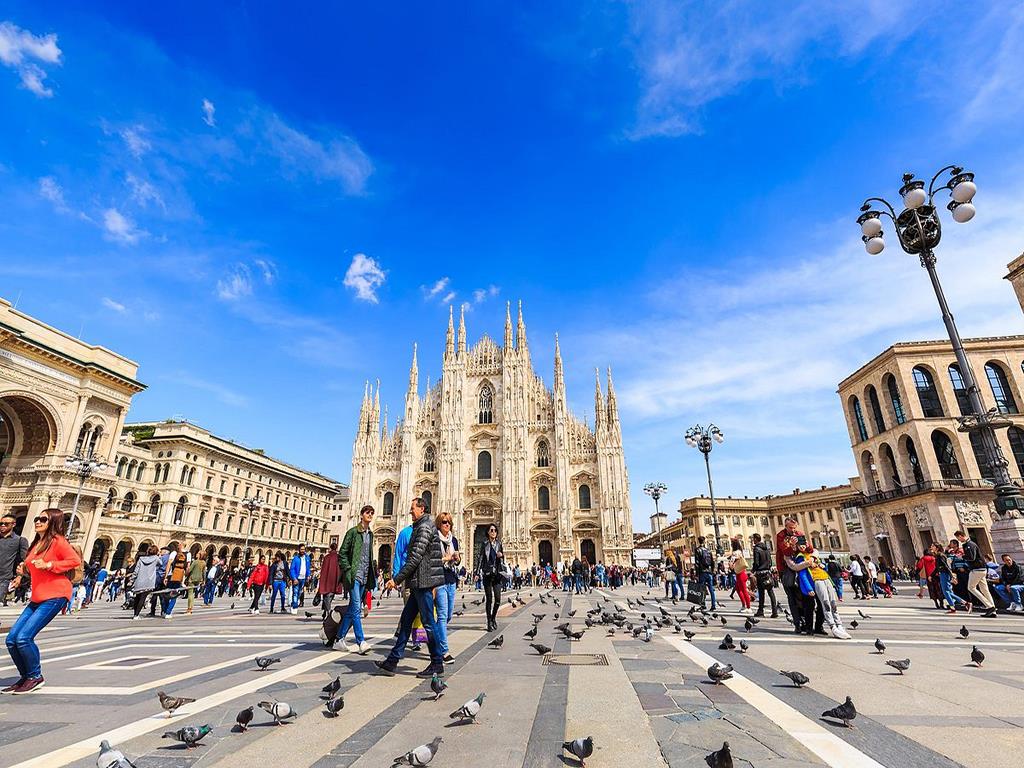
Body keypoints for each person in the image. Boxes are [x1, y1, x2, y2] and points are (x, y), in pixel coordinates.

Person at [3, 509, 82, 694]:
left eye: (43, 519)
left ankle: (35, 676)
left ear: (53, 522)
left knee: (24, 638)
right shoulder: (37, 543)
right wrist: (23, 573)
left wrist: (50, 565)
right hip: (38, 596)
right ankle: (26, 677)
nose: (38, 521)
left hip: (55, 595)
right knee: (11, 639)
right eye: (37, 518)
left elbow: (74, 560)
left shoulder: (58, 541)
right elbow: (35, 570)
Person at [375, 497, 445, 678]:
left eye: (412, 508)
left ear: (422, 509)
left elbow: (415, 558)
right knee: (406, 621)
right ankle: (392, 661)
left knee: (429, 623)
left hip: (423, 582)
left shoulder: (424, 527)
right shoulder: (421, 526)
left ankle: (437, 663)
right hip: (418, 582)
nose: (410, 511)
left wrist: (396, 579)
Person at [784, 537, 850, 639]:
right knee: (814, 606)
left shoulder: (812, 554)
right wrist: (809, 588)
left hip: (823, 579)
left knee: (829, 603)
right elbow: (802, 574)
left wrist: (820, 565)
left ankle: (833, 625)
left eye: (804, 544)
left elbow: (817, 558)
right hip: (812, 584)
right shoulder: (800, 557)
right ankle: (814, 628)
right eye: (800, 545)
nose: (802, 546)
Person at [336, 505, 376, 653]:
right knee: (357, 608)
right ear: (361, 515)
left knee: (353, 608)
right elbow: (343, 553)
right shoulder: (353, 532)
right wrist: (348, 569)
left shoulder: (370, 534)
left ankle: (339, 639)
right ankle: (361, 641)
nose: (370, 515)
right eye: (367, 512)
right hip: (354, 575)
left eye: (372, 513)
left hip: (364, 575)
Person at [776, 518, 811, 632]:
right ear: (785, 526)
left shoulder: (799, 534)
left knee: (803, 596)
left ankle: (805, 620)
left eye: (794, 527)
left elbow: (810, 549)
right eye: (790, 528)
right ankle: (797, 623)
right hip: (786, 570)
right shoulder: (781, 536)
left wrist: (805, 545)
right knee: (791, 597)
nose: (793, 530)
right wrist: (791, 545)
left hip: (800, 568)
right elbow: (785, 551)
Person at [434, 511, 460, 664]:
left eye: (449, 522)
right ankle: (444, 651)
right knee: (442, 616)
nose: (447, 525)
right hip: (439, 580)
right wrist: (447, 557)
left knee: (448, 616)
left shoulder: (453, 540)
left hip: (451, 579)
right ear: (439, 524)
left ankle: (433, 639)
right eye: (444, 522)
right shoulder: (434, 540)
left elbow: (456, 562)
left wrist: (457, 559)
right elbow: (433, 560)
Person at [955, 530, 997, 617]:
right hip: (981, 569)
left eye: (958, 538)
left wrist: (962, 556)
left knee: (971, 587)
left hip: (976, 569)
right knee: (984, 590)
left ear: (961, 536)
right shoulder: (970, 544)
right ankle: (993, 610)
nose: (959, 540)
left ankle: (989, 606)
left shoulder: (970, 545)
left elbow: (971, 557)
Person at [0, 513, 28, 608]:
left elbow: (23, 561)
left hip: (4, 579)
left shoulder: (20, 540)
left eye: (6, 523)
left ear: (13, 524)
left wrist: (19, 577)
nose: (2, 525)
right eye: (1, 523)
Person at [480, 525, 504, 631]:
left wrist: (501, 556)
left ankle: (493, 618)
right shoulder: (484, 544)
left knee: (498, 599)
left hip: (497, 574)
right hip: (487, 574)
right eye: (491, 530)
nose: (493, 532)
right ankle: (489, 622)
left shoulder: (499, 544)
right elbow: (480, 558)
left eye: (495, 530)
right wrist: (477, 572)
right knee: (489, 599)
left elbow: (503, 558)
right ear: (488, 532)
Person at [131, 545, 161, 619]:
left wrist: (132, 579)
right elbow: (161, 564)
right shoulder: (156, 559)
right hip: (149, 581)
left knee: (137, 597)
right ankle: (136, 615)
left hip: (139, 581)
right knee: (143, 598)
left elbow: (136, 571)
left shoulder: (141, 559)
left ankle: (135, 614)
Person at [317, 541, 344, 619]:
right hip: (335, 580)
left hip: (327, 580)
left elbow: (323, 570)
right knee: (330, 596)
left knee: (327, 596)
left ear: (330, 548)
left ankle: (328, 613)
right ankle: (326, 612)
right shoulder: (339, 557)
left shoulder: (327, 557)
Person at [162, 543, 188, 618]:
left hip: (171, 575)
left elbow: (168, 564)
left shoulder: (174, 553)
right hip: (179, 576)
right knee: (174, 594)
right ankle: (168, 612)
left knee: (167, 593)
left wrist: (165, 576)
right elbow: (187, 568)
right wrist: (184, 578)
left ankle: (164, 610)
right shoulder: (187, 554)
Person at [694, 537, 717, 610]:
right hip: (709, 572)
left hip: (702, 572)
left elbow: (697, 563)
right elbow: (713, 562)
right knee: (711, 589)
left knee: (702, 589)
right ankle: (713, 605)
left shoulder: (698, 550)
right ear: (704, 541)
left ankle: (703, 605)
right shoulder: (708, 550)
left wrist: (697, 574)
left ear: (698, 541)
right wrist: (712, 571)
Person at [730, 540, 752, 614]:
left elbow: (731, 565)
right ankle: (744, 605)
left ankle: (748, 607)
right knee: (738, 589)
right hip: (742, 573)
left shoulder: (735, 553)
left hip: (740, 574)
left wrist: (731, 563)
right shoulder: (740, 551)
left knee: (743, 590)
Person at [289, 544, 311, 615]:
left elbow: (308, 568)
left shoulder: (307, 558)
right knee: (295, 592)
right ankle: (294, 607)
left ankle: (293, 604)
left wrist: (308, 576)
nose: (302, 551)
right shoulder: (296, 558)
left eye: (303, 549)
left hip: (303, 578)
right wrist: (294, 578)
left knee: (299, 592)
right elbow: (292, 569)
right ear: (299, 550)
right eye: (301, 549)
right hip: (297, 578)